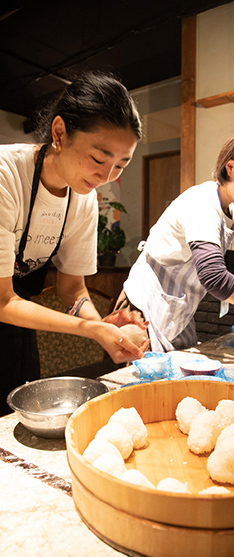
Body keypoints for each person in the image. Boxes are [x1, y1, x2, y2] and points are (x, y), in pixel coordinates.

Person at [0, 72, 147, 405]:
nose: (107, 177)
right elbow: (2, 300)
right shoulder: (6, 176)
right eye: (98, 159)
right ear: (59, 133)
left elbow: (72, 290)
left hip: (14, 323)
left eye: (121, 165)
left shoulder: (83, 198)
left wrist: (104, 327)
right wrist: (90, 330)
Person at [117, 127, 234, 352]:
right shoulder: (201, 203)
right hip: (143, 307)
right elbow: (213, 276)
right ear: (231, 167)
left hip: (178, 310)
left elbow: (229, 274)